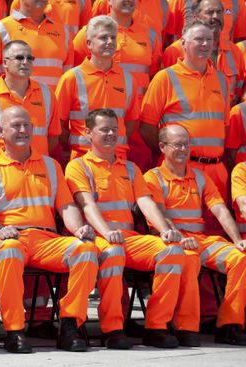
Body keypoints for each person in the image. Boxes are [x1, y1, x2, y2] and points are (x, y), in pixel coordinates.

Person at [65, 108, 195, 349]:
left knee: (173, 251)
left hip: (129, 238)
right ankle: (113, 328)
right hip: (99, 237)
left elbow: (146, 203)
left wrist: (164, 229)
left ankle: (157, 326)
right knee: (113, 253)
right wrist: (105, 232)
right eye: (104, 129)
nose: (111, 134)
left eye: (115, 129)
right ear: (88, 133)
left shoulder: (131, 169)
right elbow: (87, 204)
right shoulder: (78, 166)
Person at [0, 105, 98, 353]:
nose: (23, 130)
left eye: (27, 125)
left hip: (46, 240)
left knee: (86, 250)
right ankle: (14, 330)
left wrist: (78, 229)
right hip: (8, 238)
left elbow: (66, 206)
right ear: (0, 131)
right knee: (9, 251)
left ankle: (70, 325)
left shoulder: (51, 166)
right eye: (16, 125)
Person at [145, 124, 246, 346]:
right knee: (189, 258)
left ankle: (230, 324)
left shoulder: (199, 177)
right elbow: (159, 215)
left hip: (202, 240)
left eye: (187, 144)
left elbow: (219, 209)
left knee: (241, 258)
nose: (184, 149)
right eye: (177, 145)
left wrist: (238, 240)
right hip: (171, 240)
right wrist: (179, 237)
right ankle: (184, 326)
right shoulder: (152, 177)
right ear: (162, 147)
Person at [141, 20, 230, 199]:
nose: (205, 44)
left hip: (216, 171)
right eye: (198, 39)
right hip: (180, 170)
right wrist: (171, 154)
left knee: (217, 226)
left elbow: (224, 126)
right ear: (183, 43)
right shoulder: (165, 78)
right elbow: (146, 127)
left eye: (209, 39)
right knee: (181, 224)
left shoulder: (221, 80)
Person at [55, 16, 138, 161]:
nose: (110, 42)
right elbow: (57, 124)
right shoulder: (71, 78)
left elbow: (130, 122)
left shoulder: (128, 79)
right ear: (89, 43)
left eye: (113, 37)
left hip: (118, 160)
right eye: (103, 37)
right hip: (82, 159)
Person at [0, 40, 59, 162]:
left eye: (30, 58)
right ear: (5, 62)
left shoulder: (47, 94)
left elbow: (53, 137)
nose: (25, 62)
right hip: (1, 175)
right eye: (19, 58)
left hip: (37, 174)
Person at [0, 0, 73, 90]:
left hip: (51, 106)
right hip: (13, 105)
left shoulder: (63, 32)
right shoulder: (0, 30)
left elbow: (66, 82)